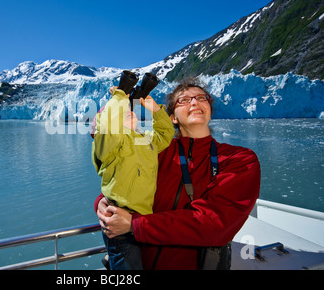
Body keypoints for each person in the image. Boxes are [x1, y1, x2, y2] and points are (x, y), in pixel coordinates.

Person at [95, 78, 261, 270]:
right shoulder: (154, 151)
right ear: (172, 117)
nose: (194, 102)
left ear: (210, 109)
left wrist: (135, 225)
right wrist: (103, 202)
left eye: (201, 97)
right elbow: (119, 170)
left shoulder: (239, 159)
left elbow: (215, 223)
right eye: (184, 100)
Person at [91, 83, 175, 270]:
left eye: (129, 109)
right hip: (119, 221)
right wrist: (120, 96)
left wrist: (155, 110)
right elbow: (108, 126)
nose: (128, 110)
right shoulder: (110, 145)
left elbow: (166, 133)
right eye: (121, 112)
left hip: (142, 220)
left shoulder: (145, 139)